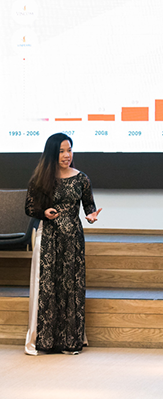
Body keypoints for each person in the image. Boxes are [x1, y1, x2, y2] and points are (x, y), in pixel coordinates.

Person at [25, 133, 102, 355]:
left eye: (69, 150)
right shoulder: (40, 179)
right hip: (48, 238)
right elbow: (29, 208)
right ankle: (46, 341)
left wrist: (91, 216)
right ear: (52, 153)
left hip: (73, 240)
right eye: (61, 151)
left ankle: (70, 341)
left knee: (71, 287)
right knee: (48, 287)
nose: (67, 155)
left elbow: (89, 206)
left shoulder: (81, 179)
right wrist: (43, 212)